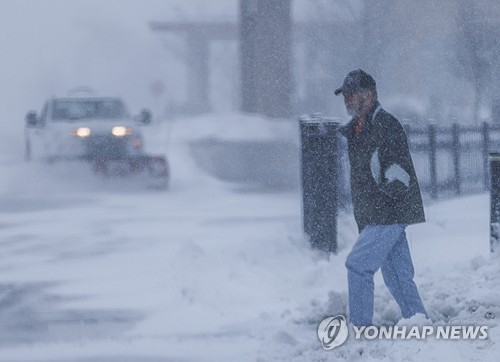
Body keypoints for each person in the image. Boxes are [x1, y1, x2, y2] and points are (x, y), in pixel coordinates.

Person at [335, 69, 427, 326]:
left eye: (352, 94)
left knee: (358, 265)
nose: (347, 100)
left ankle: (360, 329)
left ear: (369, 95)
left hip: (386, 213)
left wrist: (382, 207)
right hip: (376, 214)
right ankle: (419, 322)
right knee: (397, 276)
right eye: (345, 95)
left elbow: (399, 174)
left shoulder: (386, 126)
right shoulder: (357, 130)